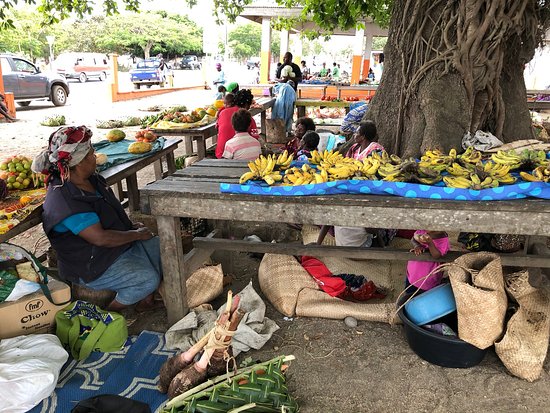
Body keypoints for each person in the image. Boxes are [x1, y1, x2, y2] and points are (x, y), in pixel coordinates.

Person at [32, 126, 162, 312]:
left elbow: (107, 214)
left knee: (160, 247)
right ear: (79, 162)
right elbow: (100, 238)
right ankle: (109, 311)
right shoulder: (65, 200)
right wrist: (135, 235)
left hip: (112, 250)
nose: (95, 156)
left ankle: (145, 300)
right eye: (92, 153)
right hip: (90, 265)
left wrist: (130, 228)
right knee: (147, 278)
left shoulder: (91, 180)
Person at [215, 89, 259, 158]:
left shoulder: (222, 112)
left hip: (220, 154)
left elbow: (218, 128)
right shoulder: (249, 118)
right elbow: (255, 137)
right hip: (238, 157)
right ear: (247, 105)